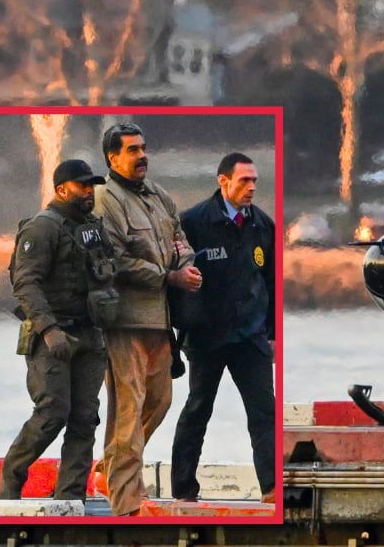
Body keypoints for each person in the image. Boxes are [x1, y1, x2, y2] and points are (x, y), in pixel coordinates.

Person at [93, 123, 201, 516]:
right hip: (125, 321)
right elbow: (115, 259)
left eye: (144, 148)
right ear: (113, 158)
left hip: (161, 319)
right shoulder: (107, 199)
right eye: (132, 150)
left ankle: (110, 469)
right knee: (128, 406)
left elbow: (180, 240)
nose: (142, 156)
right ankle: (126, 504)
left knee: (159, 400)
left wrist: (185, 264)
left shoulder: (158, 196)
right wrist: (167, 276)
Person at [0, 159, 114, 501]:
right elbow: (25, 283)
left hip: (90, 334)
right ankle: (11, 479)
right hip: (53, 336)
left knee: (84, 418)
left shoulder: (93, 227)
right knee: (52, 413)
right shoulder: (42, 228)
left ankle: (70, 494)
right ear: (63, 189)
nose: (89, 191)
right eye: (82, 186)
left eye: (92, 185)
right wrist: (49, 329)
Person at [170, 152, 276, 504]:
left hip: (250, 337)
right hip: (207, 337)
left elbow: (271, 283)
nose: (251, 187)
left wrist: (272, 334)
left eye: (255, 181)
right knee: (198, 409)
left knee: (264, 414)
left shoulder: (263, 224)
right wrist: (181, 330)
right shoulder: (194, 223)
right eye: (244, 180)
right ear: (223, 181)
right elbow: (176, 281)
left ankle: (271, 488)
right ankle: (184, 489)